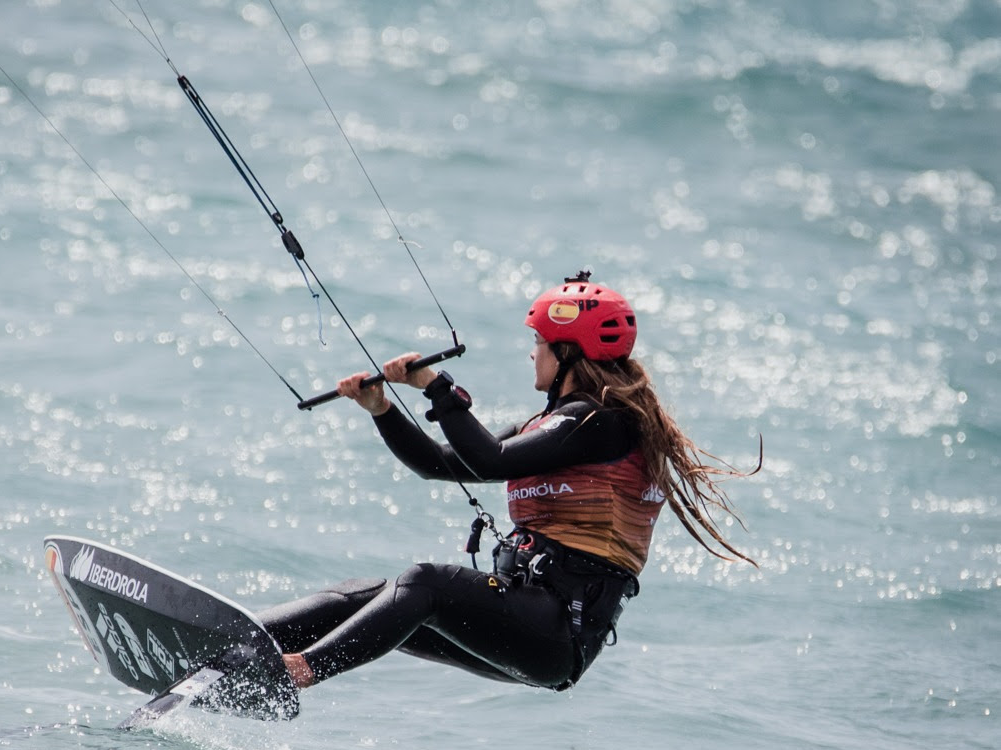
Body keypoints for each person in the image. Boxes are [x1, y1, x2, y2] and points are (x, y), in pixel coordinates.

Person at [260, 272, 755, 693]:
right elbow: (445, 464)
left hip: (558, 630)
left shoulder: (603, 423)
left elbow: (488, 458)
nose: (532, 354)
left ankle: (297, 672)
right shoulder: (555, 425)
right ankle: (240, 645)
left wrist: (437, 388)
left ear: (566, 350)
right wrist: (382, 411)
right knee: (360, 597)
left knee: (424, 583)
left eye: (538, 343)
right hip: (525, 618)